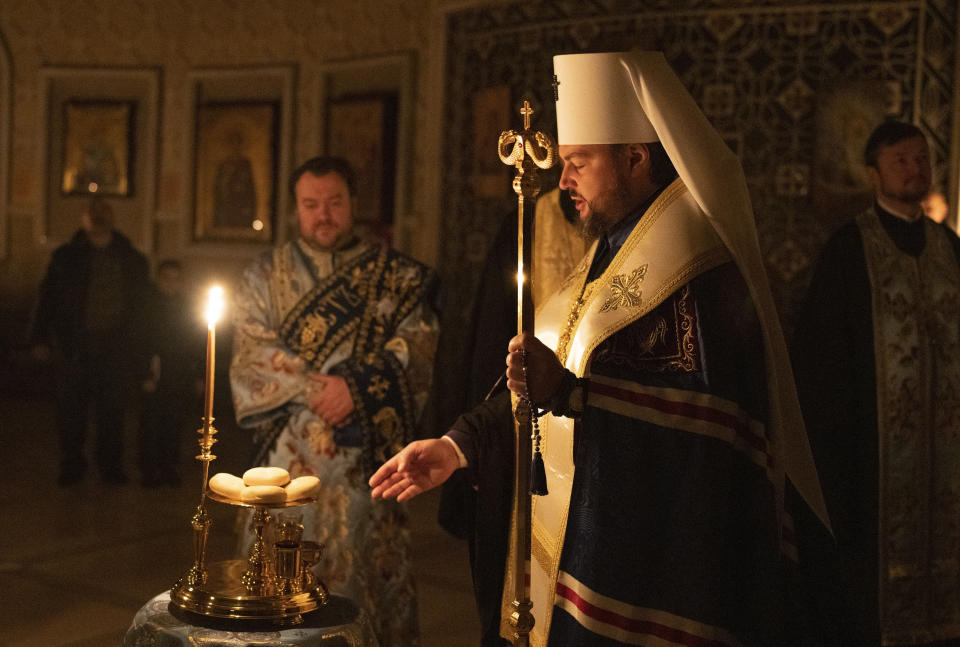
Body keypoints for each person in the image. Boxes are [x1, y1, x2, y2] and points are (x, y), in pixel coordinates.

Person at [372, 51, 834, 646]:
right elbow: (554, 385)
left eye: (579, 163)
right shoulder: (611, 248)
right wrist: (457, 445)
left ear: (635, 158)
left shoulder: (700, 274)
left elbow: (711, 431)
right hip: (576, 557)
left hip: (646, 584)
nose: (562, 180)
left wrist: (569, 392)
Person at [229, 156, 439, 646]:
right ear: (295, 210)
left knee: (361, 586)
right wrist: (314, 390)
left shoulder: (395, 276)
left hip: (365, 461)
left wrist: (356, 390)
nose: (323, 215)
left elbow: (418, 342)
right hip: (284, 464)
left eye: (334, 203)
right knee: (276, 591)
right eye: (310, 205)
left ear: (353, 204)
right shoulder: (263, 275)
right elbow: (251, 350)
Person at [793, 121, 960, 646]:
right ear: (873, 174)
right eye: (901, 161)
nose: (915, 169)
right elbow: (823, 365)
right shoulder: (848, 250)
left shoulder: (951, 249)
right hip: (872, 458)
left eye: (920, 159)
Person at [31, 197, 149, 485]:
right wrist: (39, 337)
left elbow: (143, 307)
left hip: (115, 346)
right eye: (92, 212)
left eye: (104, 212)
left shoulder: (131, 259)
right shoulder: (66, 257)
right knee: (71, 412)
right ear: (83, 219)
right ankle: (72, 465)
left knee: (113, 411)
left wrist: (143, 346)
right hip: (75, 346)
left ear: (112, 218)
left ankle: (111, 466)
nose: (98, 217)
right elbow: (47, 297)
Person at [138, 260, 203, 488]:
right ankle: (149, 468)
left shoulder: (187, 307)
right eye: (167, 278)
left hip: (179, 373)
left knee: (174, 422)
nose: (172, 284)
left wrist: (198, 376)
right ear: (158, 280)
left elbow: (196, 342)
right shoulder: (148, 307)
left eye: (177, 278)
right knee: (151, 421)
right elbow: (141, 342)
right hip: (157, 372)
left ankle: (169, 465)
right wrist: (145, 373)